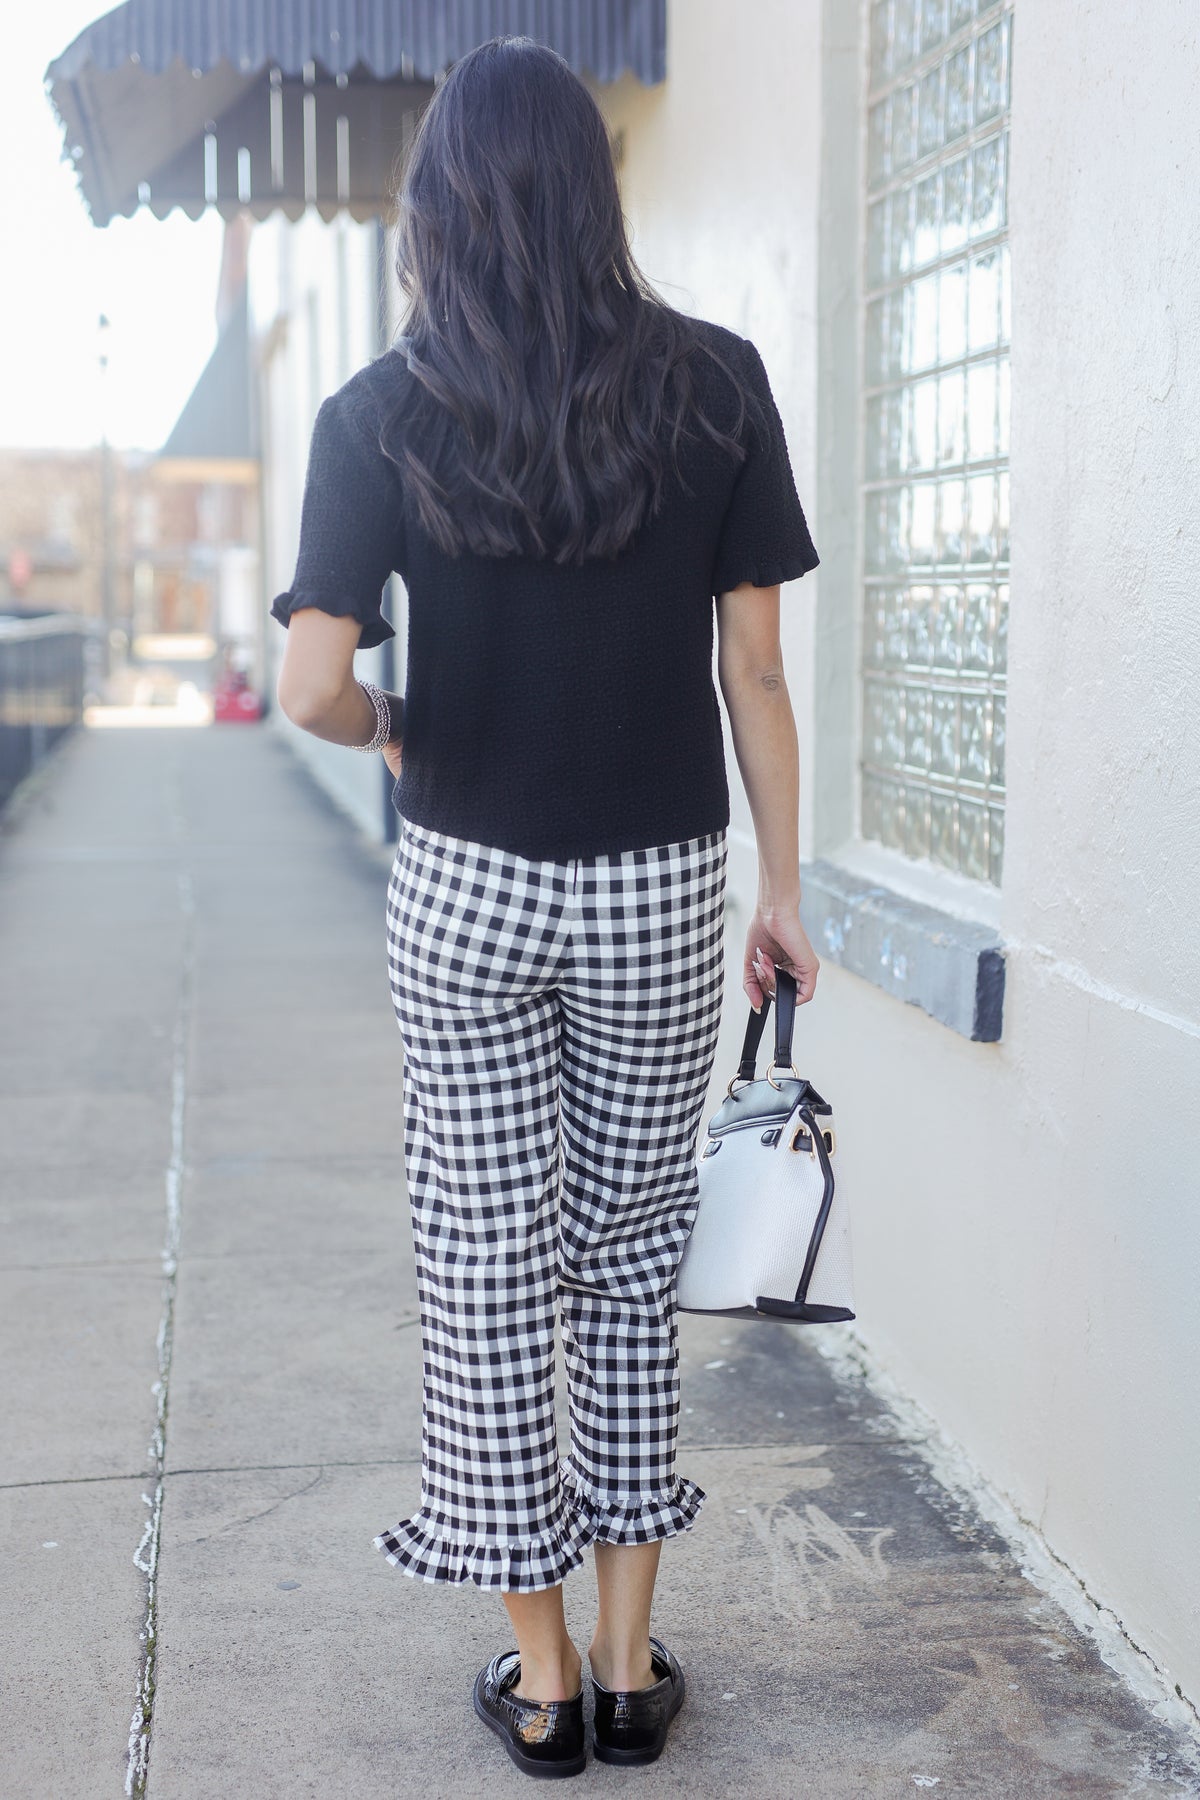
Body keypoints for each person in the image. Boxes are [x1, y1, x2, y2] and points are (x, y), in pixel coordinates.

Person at [270, 34, 821, 1780]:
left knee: (490, 1277)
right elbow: (754, 673)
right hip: (664, 887)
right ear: (599, 194)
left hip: (466, 883)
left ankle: (544, 1687)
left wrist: (400, 727)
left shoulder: (380, 409)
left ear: (437, 213)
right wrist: (784, 888)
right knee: (630, 1269)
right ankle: (635, 1654)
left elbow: (306, 688)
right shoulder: (718, 385)